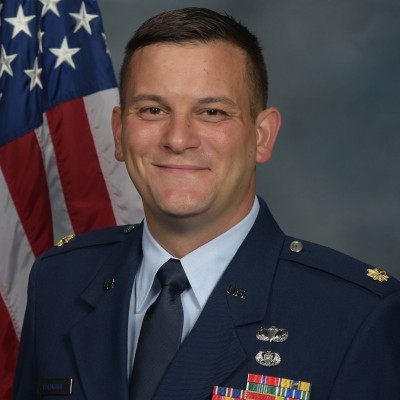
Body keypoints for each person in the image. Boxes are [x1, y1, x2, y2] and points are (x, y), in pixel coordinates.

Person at [14, 7, 400, 400]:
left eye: (212, 112)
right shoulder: (59, 282)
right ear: (118, 131)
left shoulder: (355, 315)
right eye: (152, 110)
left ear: (262, 136)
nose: (178, 139)